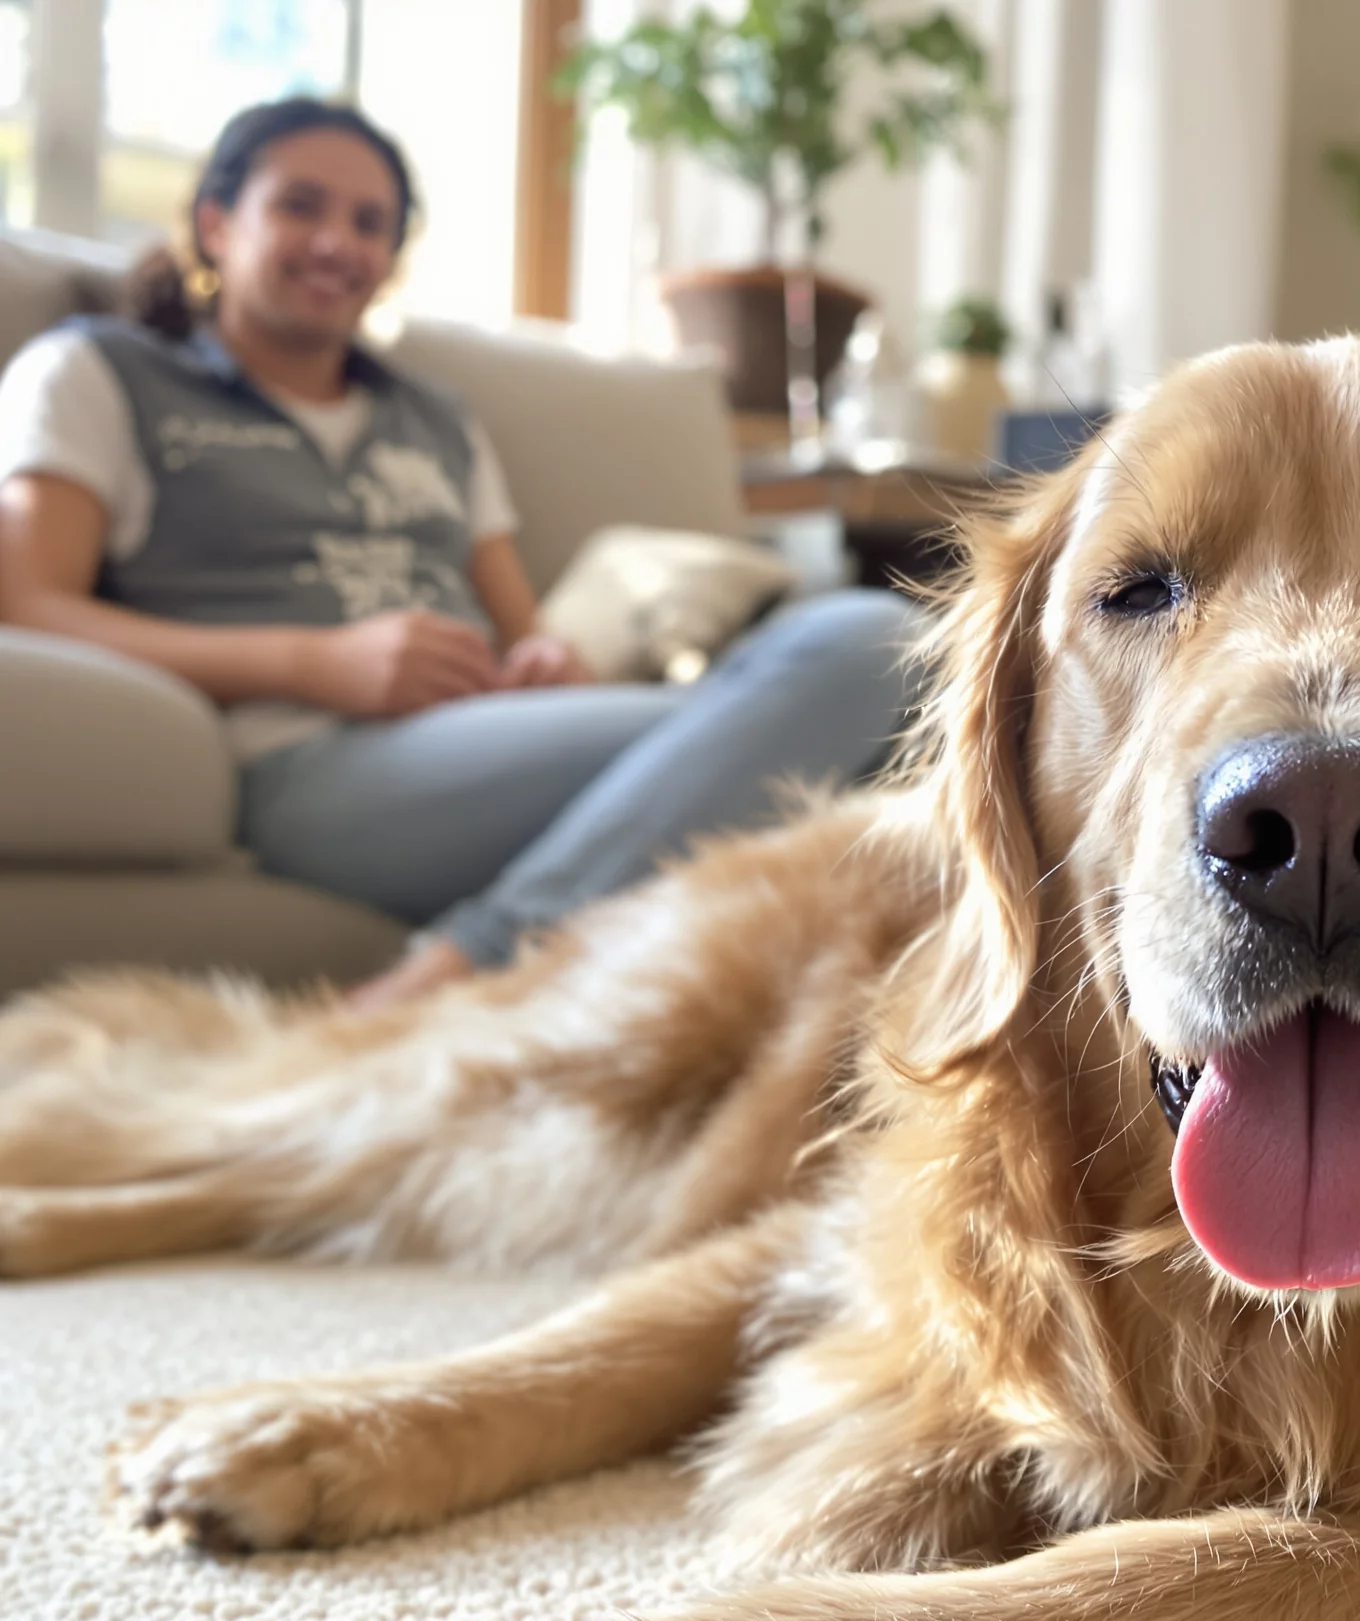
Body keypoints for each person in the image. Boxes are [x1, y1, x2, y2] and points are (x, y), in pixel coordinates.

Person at [0, 97, 917, 1007]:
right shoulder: (100, 372)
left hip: (485, 740)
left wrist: (543, 661)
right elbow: (30, 605)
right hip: (308, 761)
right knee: (866, 642)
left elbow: (523, 632)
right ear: (215, 221)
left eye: (370, 224)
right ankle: (456, 979)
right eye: (300, 205)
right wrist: (315, 662)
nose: (336, 243)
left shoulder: (435, 418)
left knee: (881, 693)